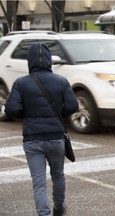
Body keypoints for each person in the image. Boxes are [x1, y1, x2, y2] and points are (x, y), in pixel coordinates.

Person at [5, 42, 79, 216]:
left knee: (38, 182)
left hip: (32, 138)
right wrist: (58, 113)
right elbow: (73, 106)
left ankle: (44, 214)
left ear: (29, 61)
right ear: (49, 60)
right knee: (58, 175)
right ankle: (59, 208)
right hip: (56, 137)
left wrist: (27, 113)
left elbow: (11, 109)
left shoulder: (21, 83)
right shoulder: (61, 81)